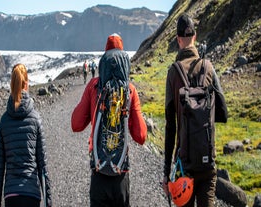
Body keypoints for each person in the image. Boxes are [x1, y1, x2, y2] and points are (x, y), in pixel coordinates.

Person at [71, 33, 147, 207]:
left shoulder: (94, 86)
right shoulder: (130, 90)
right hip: (121, 172)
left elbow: (75, 125)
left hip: (98, 171)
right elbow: (141, 136)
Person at [162, 13, 227, 207]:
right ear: (195, 36)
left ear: (178, 40)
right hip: (208, 162)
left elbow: (170, 126)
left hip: (184, 165)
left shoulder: (173, 72)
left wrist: (166, 172)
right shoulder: (208, 67)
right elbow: (223, 113)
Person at [0, 64, 52, 207]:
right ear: (27, 83)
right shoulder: (35, 119)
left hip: (11, 195)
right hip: (31, 193)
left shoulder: (4, 121)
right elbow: (42, 164)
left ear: (11, 84)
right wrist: (48, 201)